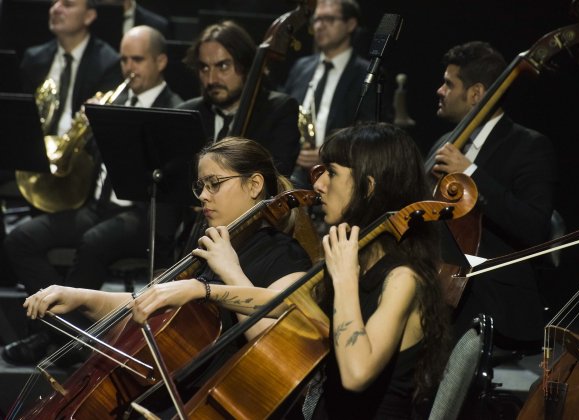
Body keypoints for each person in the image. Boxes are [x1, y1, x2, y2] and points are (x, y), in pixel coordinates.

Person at [16, 138, 312, 372]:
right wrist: (80, 297)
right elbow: (150, 302)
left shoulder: (286, 256)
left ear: (255, 185)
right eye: (200, 186)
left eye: (215, 184)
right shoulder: (212, 246)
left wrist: (227, 272)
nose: (204, 196)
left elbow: (276, 348)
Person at [2, 25, 184, 366]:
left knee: (94, 240)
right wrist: (88, 127)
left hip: (145, 214)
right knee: (21, 239)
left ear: (160, 61)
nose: (130, 68)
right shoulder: (113, 101)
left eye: (138, 59)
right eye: (124, 60)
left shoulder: (174, 108)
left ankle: (52, 339)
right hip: (99, 207)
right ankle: (70, 337)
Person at [430, 41, 558, 348]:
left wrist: (472, 174)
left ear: (475, 94)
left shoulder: (528, 146)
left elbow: (534, 226)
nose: (439, 90)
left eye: (449, 84)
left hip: (490, 294)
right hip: (440, 287)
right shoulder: (446, 142)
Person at [178, 21, 301, 177]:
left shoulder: (278, 110)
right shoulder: (187, 113)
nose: (211, 80)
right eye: (204, 68)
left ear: (245, 65)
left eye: (222, 66)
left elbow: (275, 179)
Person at [282, 0, 377, 188]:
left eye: (329, 19)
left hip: (339, 179)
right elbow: (283, 118)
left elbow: (369, 133)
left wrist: (327, 154)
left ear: (350, 24)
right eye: (316, 20)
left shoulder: (366, 74)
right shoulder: (301, 67)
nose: (319, 26)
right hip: (293, 175)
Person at [19, 0, 122, 137]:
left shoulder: (108, 63)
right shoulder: (34, 58)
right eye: (54, 3)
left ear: (89, 16)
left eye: (67, 5)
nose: (56, 9)